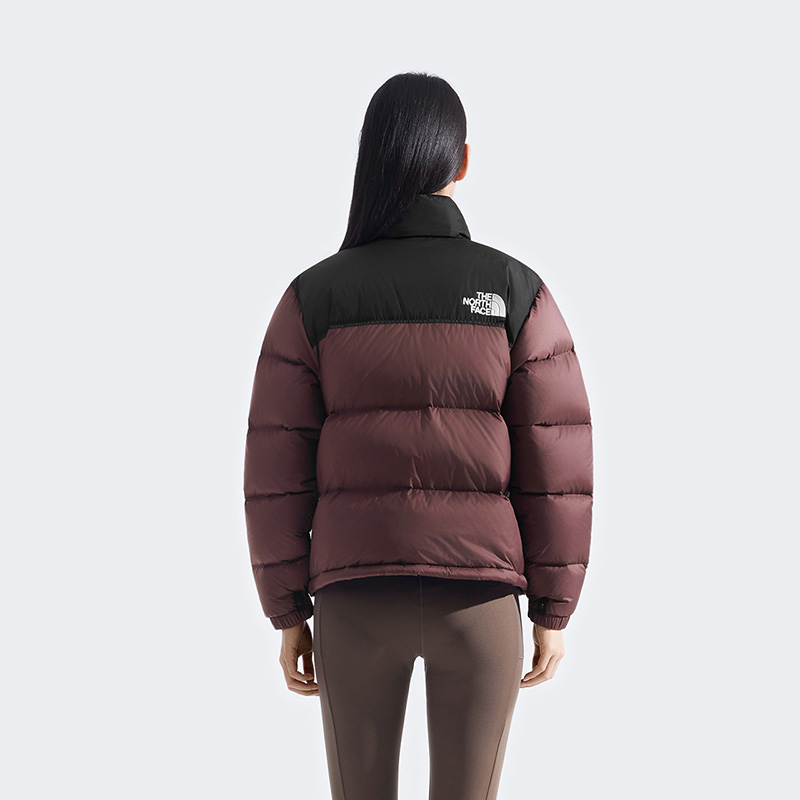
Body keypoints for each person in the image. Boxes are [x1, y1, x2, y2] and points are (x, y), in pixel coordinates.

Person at [243, 71, 593, 800]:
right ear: (461, 161)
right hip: (480, 602)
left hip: (354, 601)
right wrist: (553, 610)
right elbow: (557, 460)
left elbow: (274, 468)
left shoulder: (313, 297)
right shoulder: (516, 291)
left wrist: (288, 611)